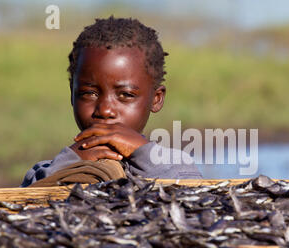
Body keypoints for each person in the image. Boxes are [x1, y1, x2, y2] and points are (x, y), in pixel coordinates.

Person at [20, 16, 202, 187]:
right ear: (72, 95)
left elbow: (194, 193)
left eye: (126, 95)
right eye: (89, 93)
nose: (105, 110)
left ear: (156, 99)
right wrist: (73, 161)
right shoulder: (45, 170)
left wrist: (142, 153)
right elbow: (26, 197)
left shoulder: (174, 165)